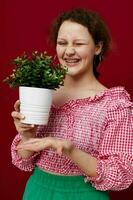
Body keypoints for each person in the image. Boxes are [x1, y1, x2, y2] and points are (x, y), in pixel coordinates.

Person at [11, 8, 133, 200]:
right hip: (38, 191)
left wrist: (70, 150)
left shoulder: (114, 104)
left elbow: (120, 175)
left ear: (98, 47)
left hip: (85, 194)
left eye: (78, 43)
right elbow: (23, 160)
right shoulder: (43, 94)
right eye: (62, 43)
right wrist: (27, 138)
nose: (68, 51)